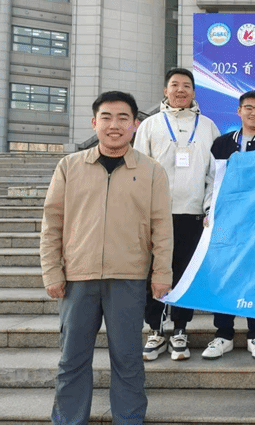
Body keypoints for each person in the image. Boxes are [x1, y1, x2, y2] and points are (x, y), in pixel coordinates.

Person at [40, 91, 173, 425]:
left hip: (128, 278)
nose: (115, 125)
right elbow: (52, 222)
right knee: (72, 359)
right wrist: (51, 271)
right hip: (78, 278)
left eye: (123, 118)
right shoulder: (69, 167)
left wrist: (162, 273)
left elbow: (162, 227)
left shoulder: (151, 170)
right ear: (94, 123)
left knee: (128, 359)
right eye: (107, 117)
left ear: (135, 125)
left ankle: (129, 419)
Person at [135, 67, 220, 361]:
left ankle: (181, 329)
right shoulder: (150, 125)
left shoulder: (208, 126)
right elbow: (138, 171)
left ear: (194, 92)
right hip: (157, 216)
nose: (180, 90)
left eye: (186, 85)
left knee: (185, 274)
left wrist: (208, 208)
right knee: (154, 273)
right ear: (165, 90)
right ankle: (156, 330)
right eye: (174, 85)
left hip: (193, 216)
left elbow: (213, 174)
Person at [202, 90, 255, 360]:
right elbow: (210, 181)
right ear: (239, 111)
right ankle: (223, 334)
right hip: (225, 221)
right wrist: (209, 211)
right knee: (223, 274)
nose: (254, 113)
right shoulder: (221, 144)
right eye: (249, 107)